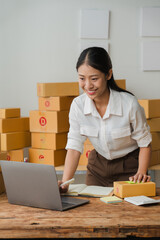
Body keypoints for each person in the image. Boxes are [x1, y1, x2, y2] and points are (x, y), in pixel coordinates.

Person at [59, 47, 152, 192]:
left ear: (108, 74)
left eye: (94, 79)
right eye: (82, 78)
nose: (88, 85)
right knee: (93, 210)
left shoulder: (129, 104)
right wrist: (65, 183)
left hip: (129, 168)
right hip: (98, 168)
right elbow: (74, 146)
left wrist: (141, 172)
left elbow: (145, 142)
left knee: (126, 212)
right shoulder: (78, 105)